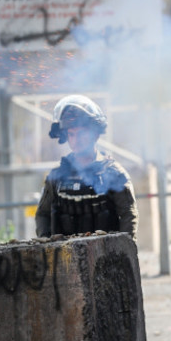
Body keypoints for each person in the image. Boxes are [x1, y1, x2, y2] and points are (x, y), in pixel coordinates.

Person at [36, 94, 138, 240]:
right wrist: (47, 244)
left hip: (105, 257)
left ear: (95, 135)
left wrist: (123, 250)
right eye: (71, 134)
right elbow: (42, 215)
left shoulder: (113, 173)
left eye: (81, 133)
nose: (76, 140)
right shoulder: (57, 177)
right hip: (65, 259)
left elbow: (129, 215)